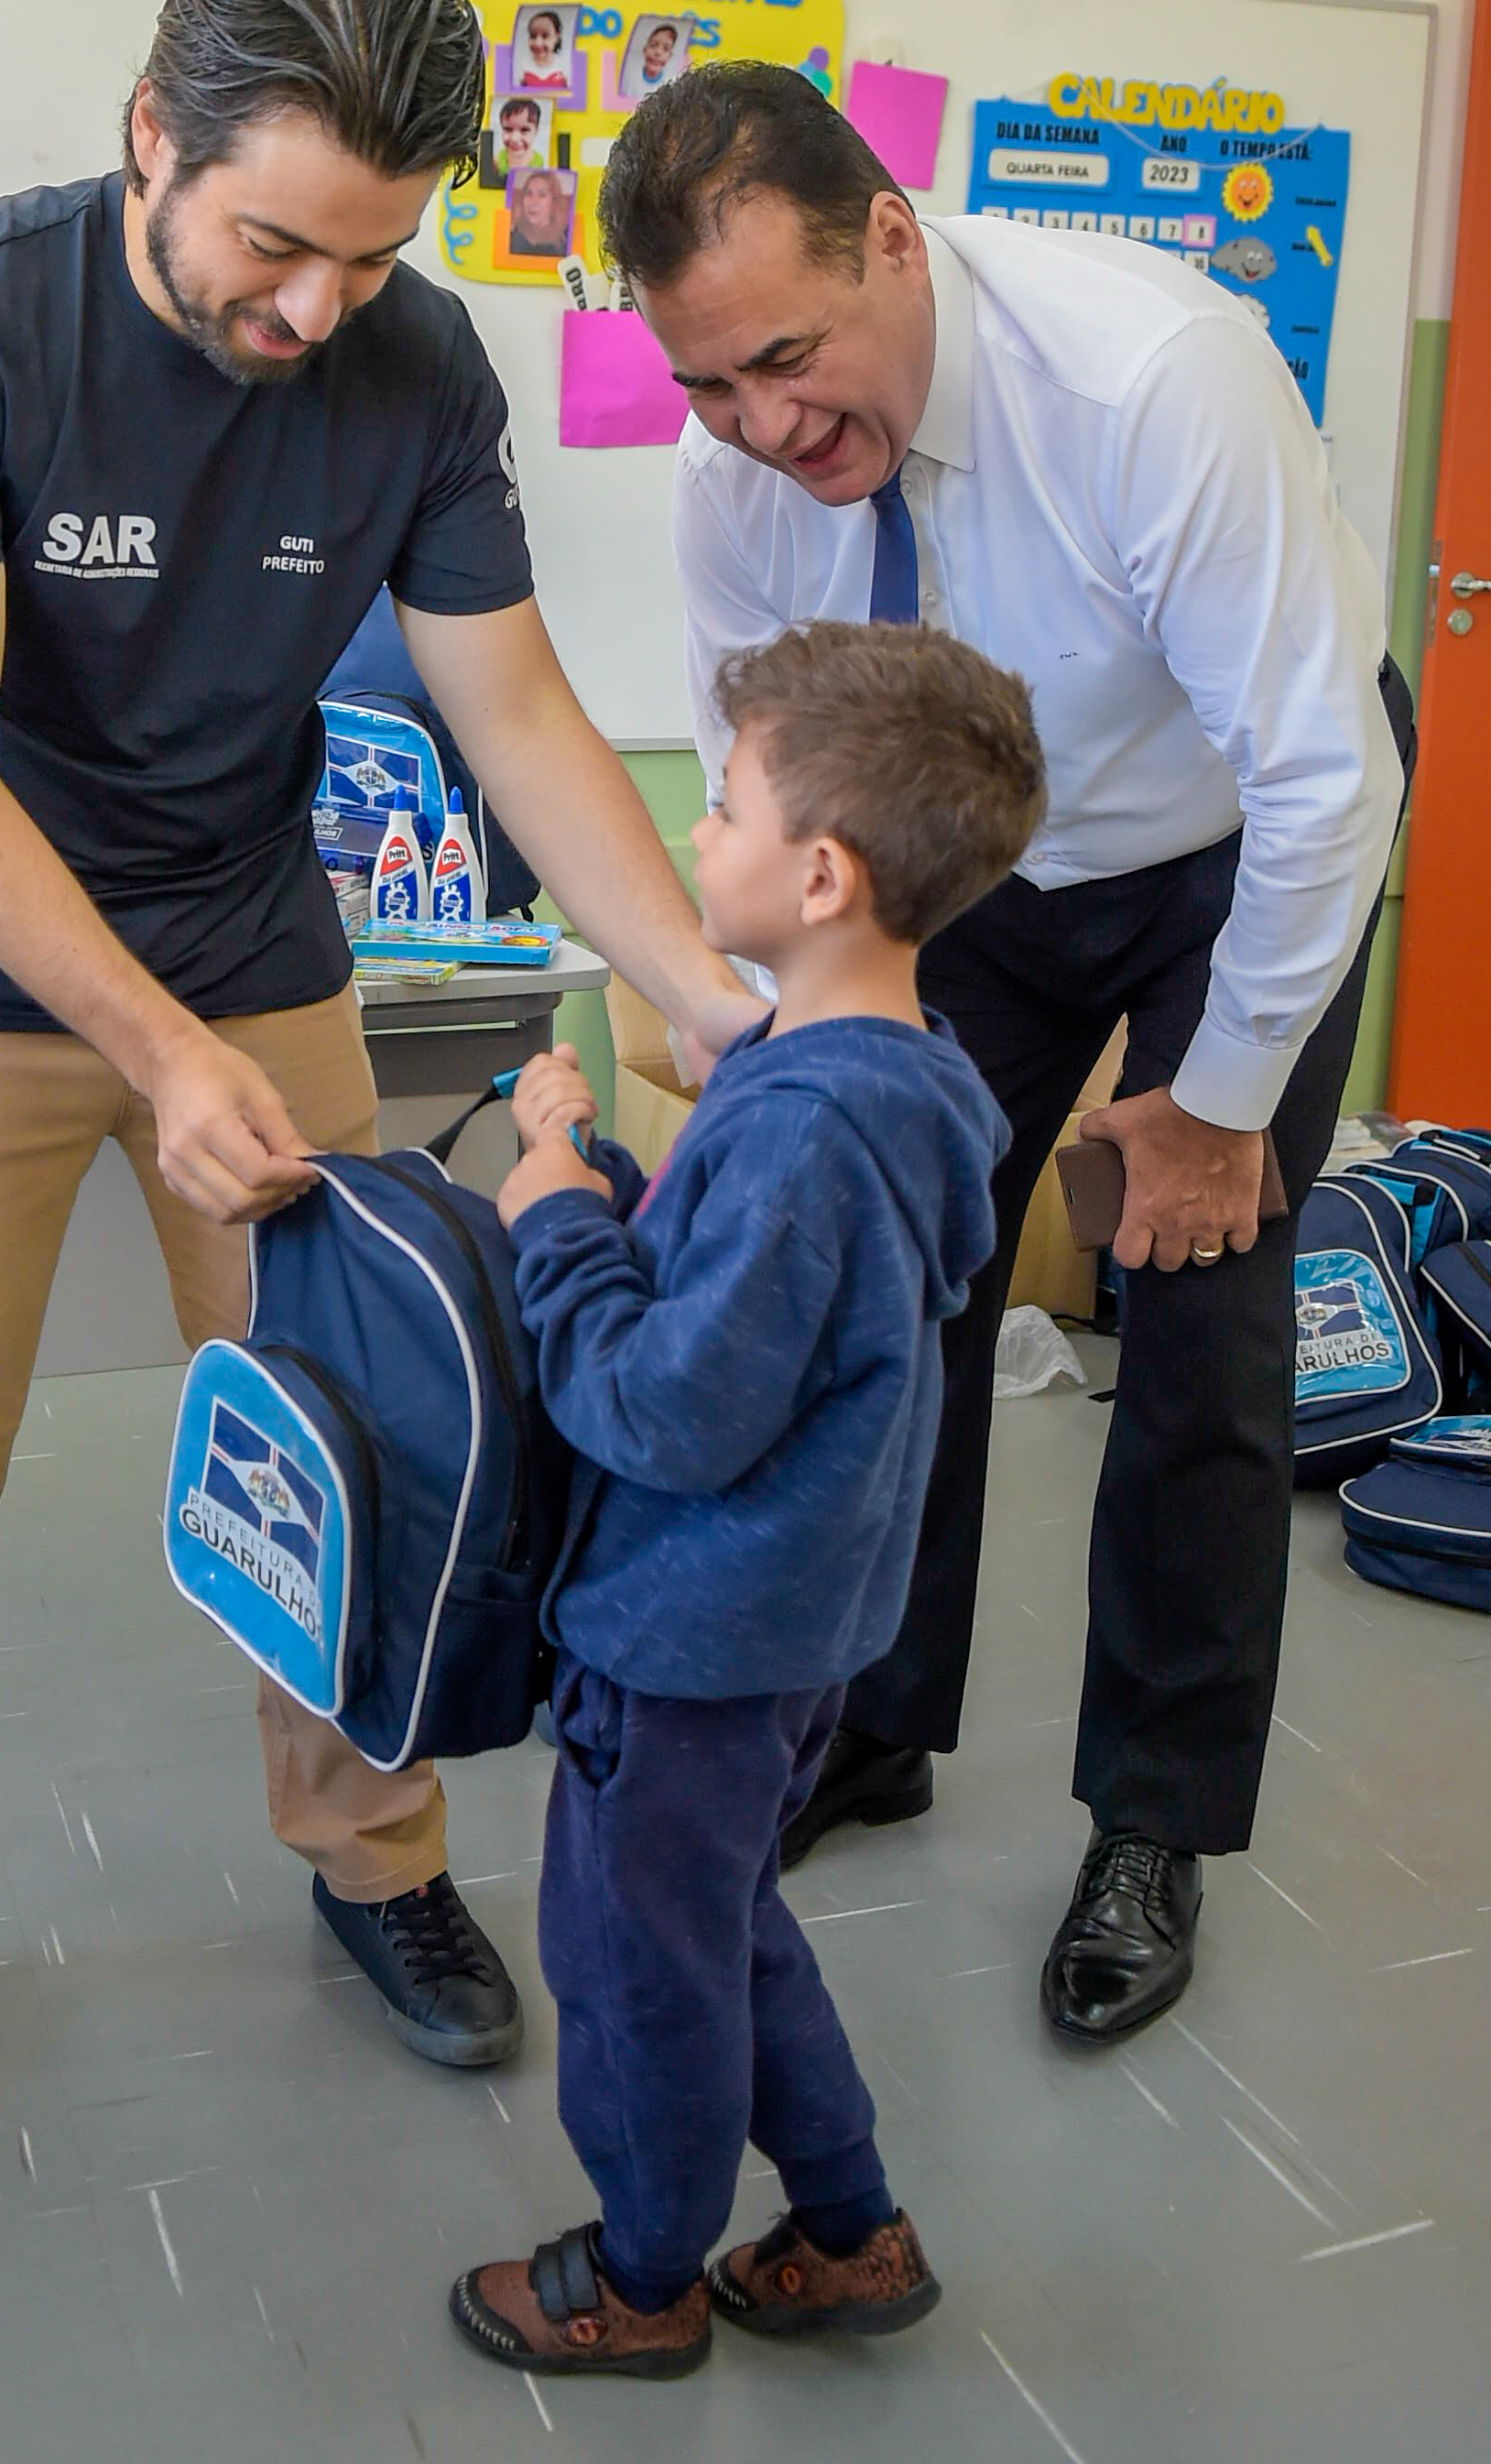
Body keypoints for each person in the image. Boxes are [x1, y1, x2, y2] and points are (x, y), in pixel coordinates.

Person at [0, 0, 760, 2168]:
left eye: (372, 256)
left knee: (365, 1432)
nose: (317, 310)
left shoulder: (416, 369)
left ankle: (376, 1860)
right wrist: (155, 1054)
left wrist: (714, 1002)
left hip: (250, 948)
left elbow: (517, 712)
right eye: (275, 245)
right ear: (153, 134)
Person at [599, 61, 1414, 2044]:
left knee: (1196, 1315)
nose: (763, 428)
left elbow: (1325, 782)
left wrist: (1213, 1108)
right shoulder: (734, 485)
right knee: (881, 1278)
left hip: (1231, 841)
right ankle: (868, 1720)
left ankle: (1151, 1818)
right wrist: (790, 1063)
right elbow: (769, 785)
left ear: (890, 236)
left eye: (787, 359)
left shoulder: (1148, 383)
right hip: (964, 860)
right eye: (707, 385)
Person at [449, 619, 1041, 2382]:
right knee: (721, 1922)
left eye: (717, 807)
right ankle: (848, 2232)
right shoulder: (888, 1078)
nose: (689, 835)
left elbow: (665, 1406)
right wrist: (604, 1178)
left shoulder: (799, 1129)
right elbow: (754, 1310)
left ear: (820, 873)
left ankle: (641, 2277)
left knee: (635, 1966)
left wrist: (554, 1222)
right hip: (785, 1630)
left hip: (687, 1637)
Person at [480, 93, 545, 187]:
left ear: (536, 131)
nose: (515, 138)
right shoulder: (497, 159)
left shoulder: (539, 162)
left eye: (524, 130)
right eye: (508, 129)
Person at [508, 167, 572, 257]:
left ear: (554, 202)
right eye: (529, 193)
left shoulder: (565, 238)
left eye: (542, 195)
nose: (533, 202)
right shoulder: (514, 233)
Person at [517, 5, 573, 91]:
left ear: (557, 37)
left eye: (545, 36)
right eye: (533, 36)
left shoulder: (566, 67)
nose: (538, 43)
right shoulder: (521, 66)